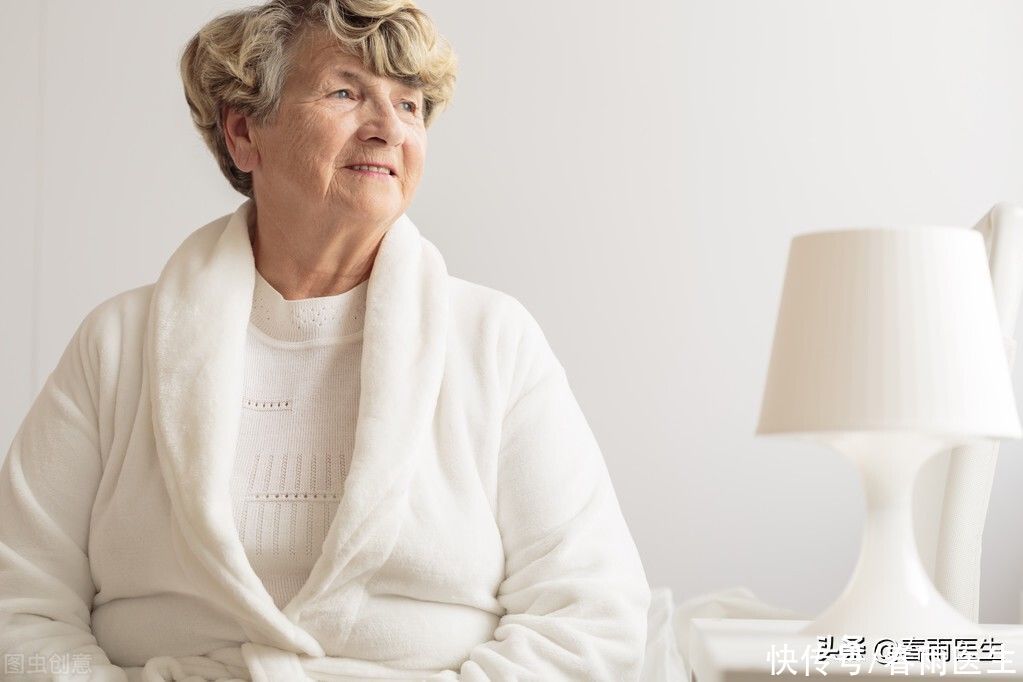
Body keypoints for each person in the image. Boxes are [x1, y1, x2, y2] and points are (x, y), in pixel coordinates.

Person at [0, 1, 651, 680]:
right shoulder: (118, 344)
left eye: (409, 105)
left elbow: (591, 614)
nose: (387, 129)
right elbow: (17, 607)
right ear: (244, 132)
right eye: (346, 92)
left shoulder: (494, 342)